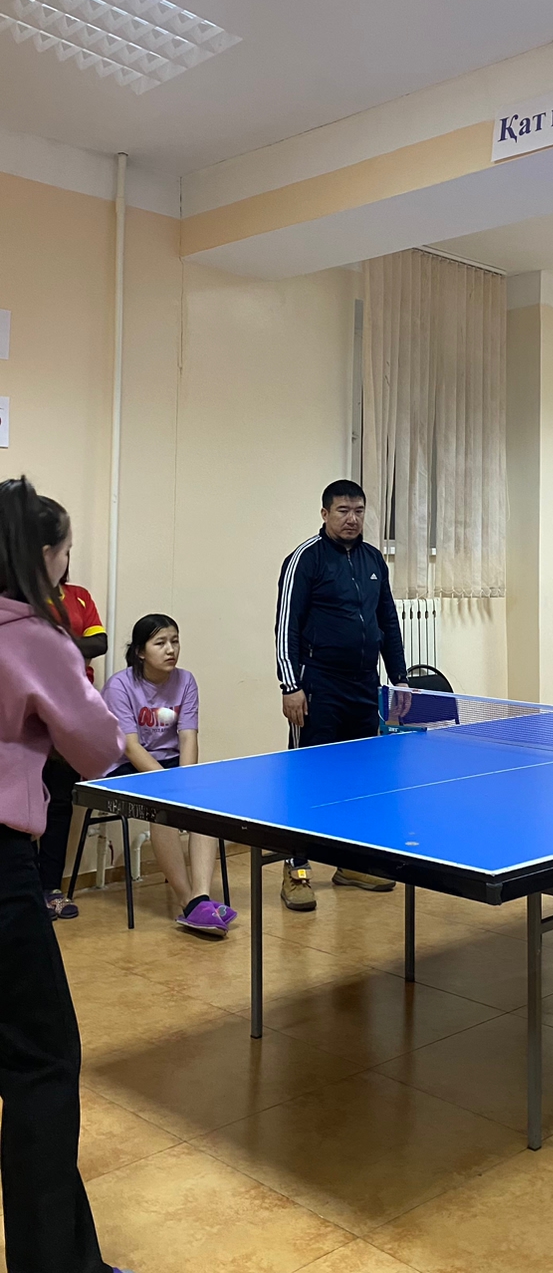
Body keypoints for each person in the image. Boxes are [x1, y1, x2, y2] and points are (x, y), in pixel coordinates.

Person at [0, 475, 134, 1273]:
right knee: (42, 1063)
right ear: (44, 554)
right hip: (1, 872)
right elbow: (99, 748)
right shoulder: (35, 637)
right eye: (65, 550)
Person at [275, 478, 409, 910]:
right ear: (325, 514)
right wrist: (290, 686)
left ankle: (351, 865)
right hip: (318, 685)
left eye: (358, 511)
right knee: (308, 779)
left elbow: (387, 620)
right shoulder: (305, 559)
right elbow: (286, 626)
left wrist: (399, 678)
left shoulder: (373, 560)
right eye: (343, 511)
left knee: (361, 778)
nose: (352, 519)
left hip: (364, 684)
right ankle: (297, 871)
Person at [101, 614, 237, 935]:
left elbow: (188, 737)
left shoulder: (186, 681)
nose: (170, 649)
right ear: (140, 652)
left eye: (174, 641)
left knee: (203, 803)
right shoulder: (120, 686)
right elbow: (131, 747)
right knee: (162, 806)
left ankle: (201, 897)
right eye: (160, 643)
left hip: (169, 764)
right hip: (126, 767)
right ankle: (188, 902)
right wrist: (170, 786)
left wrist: (185, 783)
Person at [37, 505, 108, 920]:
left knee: (59, 804)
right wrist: (69, 646)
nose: (67, 558)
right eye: (64, 550)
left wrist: (56, 644)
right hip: (33, 715)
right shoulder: (20, 600)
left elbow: (98, 642)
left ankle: (49, 888)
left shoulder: (79, 596)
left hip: (70, 715)